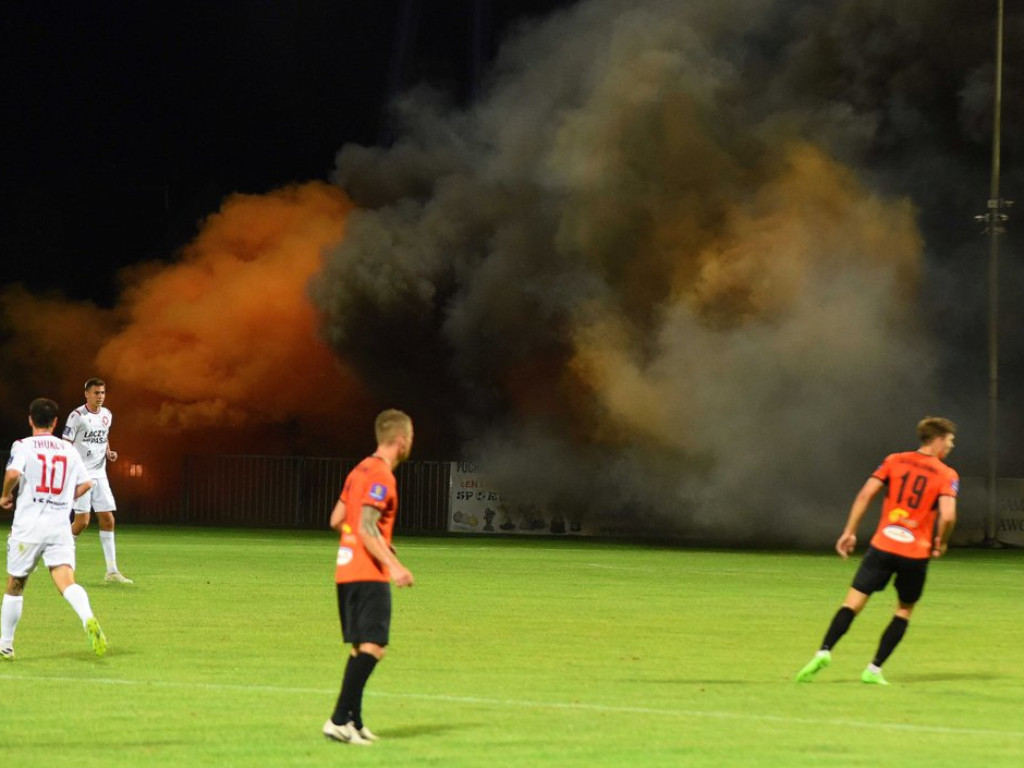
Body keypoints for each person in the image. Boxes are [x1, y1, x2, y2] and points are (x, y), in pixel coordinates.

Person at [795, 416, 959, 685]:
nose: (952, 446)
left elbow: (865, 494)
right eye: (950, 440)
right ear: (938, 439)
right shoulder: (947, 474)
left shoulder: (894, 460)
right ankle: (873, 669)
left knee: (852, 603)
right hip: (915, 553)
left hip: (883, 545)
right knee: (904, 610)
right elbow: (949, 515)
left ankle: (824, 650)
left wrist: (850, 531)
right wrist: (941, 540)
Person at [323, 409, 416, 746]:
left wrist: (359, 541)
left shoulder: (358, 470)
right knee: (375, 647)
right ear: (401, 439)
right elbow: (364, 525)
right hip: (368, 572)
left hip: (346, 570)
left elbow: (337, 519)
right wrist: (394, 566)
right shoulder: (381, 475)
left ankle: (355, 723)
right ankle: (337, 720)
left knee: (362, 647)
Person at [1, 398, 108, 660]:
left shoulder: (23, 446)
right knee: (65, 580)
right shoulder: (68, 450)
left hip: (29, 527)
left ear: (30, 419)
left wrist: (5, 495)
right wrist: (63, 500)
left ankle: (6, 644)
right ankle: (87, 618)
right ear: (55, 422)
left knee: (16, 583)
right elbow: (86, 484)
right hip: (59, 526)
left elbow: (14, 474)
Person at [63, 377, 132, 583]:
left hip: (100, 474)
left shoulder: (107, 414)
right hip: (81, 475)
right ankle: (55, 550)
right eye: (96, 393)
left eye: (102, 393)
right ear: (86, 394)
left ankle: (112, 572)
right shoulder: (77, 416)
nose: (99, 397)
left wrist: (109, 453)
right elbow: (66, 444)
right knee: (82, 523)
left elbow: (104, 436)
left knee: (108, 519)